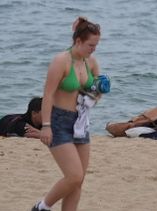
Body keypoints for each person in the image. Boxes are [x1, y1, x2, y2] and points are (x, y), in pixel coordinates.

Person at [31, 17, 102, 211]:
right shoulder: (61, 61)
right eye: (90, 45)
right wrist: (46, 126)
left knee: (79, 181)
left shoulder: (91, 62)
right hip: (58, 121)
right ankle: (42, 207)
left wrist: (96, 94)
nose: (93, 49)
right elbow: (48, 93)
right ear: (78, 41)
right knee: (74, 176)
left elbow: (97, 90)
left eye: (96, 45)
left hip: (80, 122)